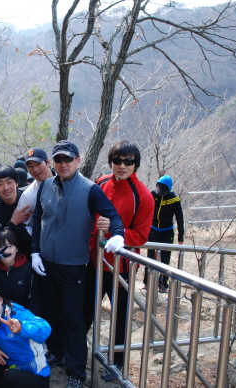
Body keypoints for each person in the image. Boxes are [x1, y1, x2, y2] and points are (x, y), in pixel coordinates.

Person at [31, 140, 125, 388]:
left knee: (74, 319)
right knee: (51, 312)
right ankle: (57, 351)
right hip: (46, 263)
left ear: (78, 161)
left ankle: (76, 372)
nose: (64, 164)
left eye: (68, 159)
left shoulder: (90, 190)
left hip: (73, 266)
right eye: (59, 160)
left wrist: (118, 234)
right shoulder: (46, 186)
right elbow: (38, 218)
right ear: (52, 162)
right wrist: (35, 252)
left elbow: (112, 214)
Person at [82, 140, 154, 382]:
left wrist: (116, 231)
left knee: (121, 317)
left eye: (128, 161)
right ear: (110, 161)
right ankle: (76, 355)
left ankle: (117, 364)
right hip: (94, 262)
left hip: (121, 268)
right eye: (117, 160)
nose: (122, 166)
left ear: (136, 164)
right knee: (84, 312)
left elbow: (141, 236)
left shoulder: (143, 195)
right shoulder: (101, 183)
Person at [0, 285, 51, 388]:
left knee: (11, 377)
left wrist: (21, 328)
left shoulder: (19, 314)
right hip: (7, 370)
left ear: (0, 300)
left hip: (35, 375)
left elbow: (45, 329)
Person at [144, 175, 185, 293]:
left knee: (165, 258)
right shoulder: (153, 195)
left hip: (167, 231)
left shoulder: (174, 199)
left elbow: (179, 217)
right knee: (150, 257)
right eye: (159, 188)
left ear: (169, 189)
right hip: (153, 229)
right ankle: (148, 282)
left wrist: (180, 235)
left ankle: (163, 284)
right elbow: (144, 210)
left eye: (163, 190)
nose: (160, 192)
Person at [0, 165, 32, 258]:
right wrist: (13, 222)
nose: (6, 188)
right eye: (0, 184)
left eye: (9, 182)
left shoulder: (29, 196)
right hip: (12, 259)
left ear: (17, 183)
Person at [17, 147, 54, 234]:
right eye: (30, 166)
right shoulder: (28, 195)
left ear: (48, 162)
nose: (35, 169)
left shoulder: (65, 182)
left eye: (38, 164)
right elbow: (22, 225)